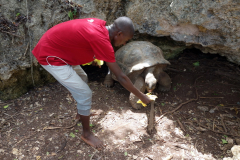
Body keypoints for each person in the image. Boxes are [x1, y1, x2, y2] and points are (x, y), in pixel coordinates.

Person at [32, 16, 151, 149]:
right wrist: (142, 96)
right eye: (126, 40)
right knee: (85, 93)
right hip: (50, 55)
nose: (124, 44)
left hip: (58, 49)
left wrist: (92, 56)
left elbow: (81, 40)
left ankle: (81, 113)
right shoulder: (102, 41)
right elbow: (121, 77)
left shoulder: (99, 25)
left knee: (83, 77)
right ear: (119, 34)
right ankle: (86, 134)